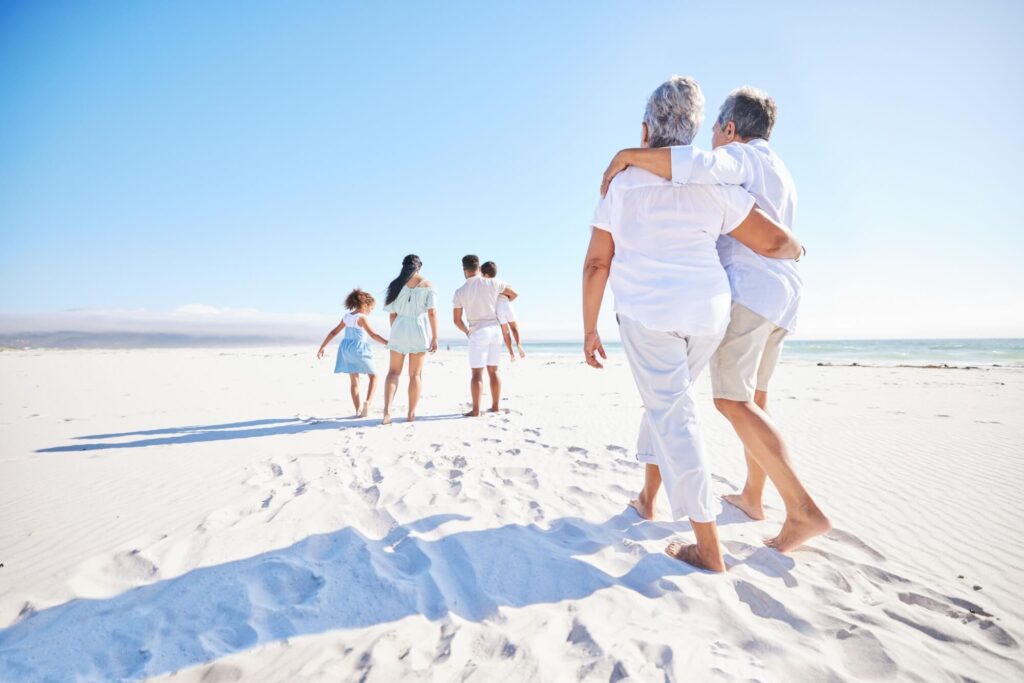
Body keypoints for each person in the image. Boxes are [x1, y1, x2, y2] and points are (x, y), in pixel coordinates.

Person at [582, 76, 804, 572]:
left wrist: (589, 328)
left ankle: (707, 546)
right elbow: (770, 239)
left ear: (645, 130)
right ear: (694, 130)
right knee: (668, 398)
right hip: (708, 315)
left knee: (673, 411)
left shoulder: (622, 184)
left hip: (648, 315)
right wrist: (796, 247)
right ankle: (647, 497)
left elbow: (597, 262)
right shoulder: (716, 182)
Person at [453, 254, 519, 416]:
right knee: (494, 371)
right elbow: (514, 294)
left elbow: (457, 321)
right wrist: (500, 303)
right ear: (479, 267)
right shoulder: (494, 283)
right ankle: (496, 406)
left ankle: (476, 410)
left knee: (476, 373)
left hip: (477, 331)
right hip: (495, 331)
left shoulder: (460, 292)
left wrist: (467, 332)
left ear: (464, 270)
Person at [381, 255, 439, 425]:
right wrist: (435, 336)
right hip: (418, 329)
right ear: (419, 267)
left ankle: (387, 411)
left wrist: (396, 330)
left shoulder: (396, 285)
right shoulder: (429, 286)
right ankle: (411, 413)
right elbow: (432, 312)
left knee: (393, 373)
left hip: (399, 328)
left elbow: (392, 314)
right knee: (415, 375)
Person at [316, 289, 389, 417]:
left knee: (354, 382)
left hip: (346, 349)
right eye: (371, 308)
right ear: (365, 305)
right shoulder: (362, 318)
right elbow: (373, 335)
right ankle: (367, 403)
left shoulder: (346, 317)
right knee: (373, 377)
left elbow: (334, 332)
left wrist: (323, 346)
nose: (371, 311)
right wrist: (388, 343)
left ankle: (357, 410)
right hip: (359, 348)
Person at [481, 260, 526, 361]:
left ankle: (511, 353)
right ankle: (519, 345)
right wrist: (509, 300)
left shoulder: (486, 285)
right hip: (507, 304)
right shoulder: (501, 282)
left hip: (498, 308)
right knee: (514, 327)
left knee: (505, 331)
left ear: (486, 275)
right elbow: (515, 294)